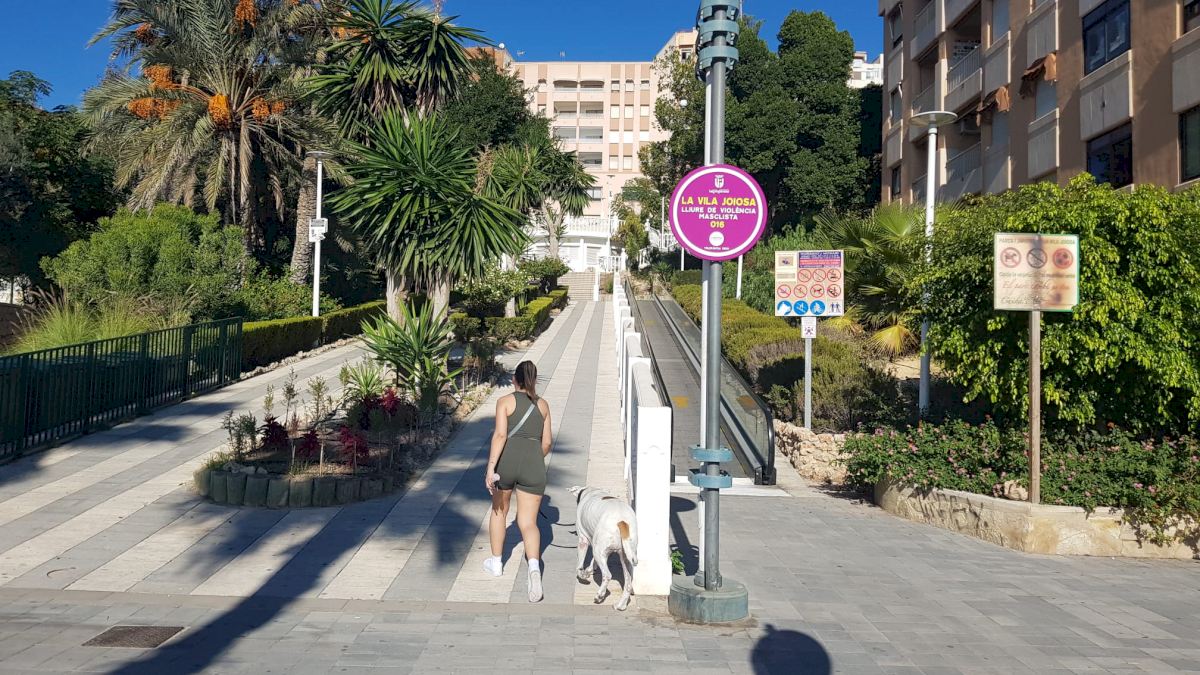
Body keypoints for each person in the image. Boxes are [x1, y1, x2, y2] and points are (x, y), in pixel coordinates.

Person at [483, 360, 553, 602]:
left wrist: (491, 467)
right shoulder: (543, 405)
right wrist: (533, 459)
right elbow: (546, 444)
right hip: (533, 466)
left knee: (499, 512)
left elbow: (501, 435)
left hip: (506, 465)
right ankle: (534, 568)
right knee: (528, 522)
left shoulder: (504, 402)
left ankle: (496, 563)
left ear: (516, 379)